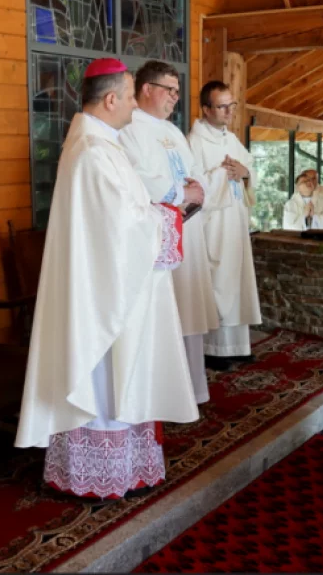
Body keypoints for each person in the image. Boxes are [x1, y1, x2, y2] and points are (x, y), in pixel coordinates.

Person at [15, 58, 199, 499]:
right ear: (112, 98)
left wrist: (155, 214)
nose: (136, 105)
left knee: (120, 375)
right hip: (104, 295)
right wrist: (169, 216)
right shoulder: (94, 153)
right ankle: (101, 474)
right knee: (108, 378)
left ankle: (120, 467)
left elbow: (124, 218)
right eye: (133, 95)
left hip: (110, 283)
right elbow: (123, 229)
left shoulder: (99, 144)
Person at [119, 60, 218, 404]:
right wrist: (180, 194)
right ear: (147, 89)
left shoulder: (174, 132)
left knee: (186, 310)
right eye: (170, 90)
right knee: (161, 314)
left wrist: (199, 188)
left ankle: (191, 389)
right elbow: (136, 179)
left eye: (178, 91)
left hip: (186, 230)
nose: (176, 97)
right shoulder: (128, 128)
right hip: (155, 236)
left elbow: (194, 171)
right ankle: (161, 393)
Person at [188, 81, 262, 370]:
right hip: (213, 222)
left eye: (232, 105)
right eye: (222, 106)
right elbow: (193, 182)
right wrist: (223, 173)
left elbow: (248, 169)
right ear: (206, 109)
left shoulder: (229, 138)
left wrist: (244, 174)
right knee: (217, 280)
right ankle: (212, 348)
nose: (229, 111)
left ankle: (236, 345)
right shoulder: (194, 141)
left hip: (234, 219)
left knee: (237, 279)